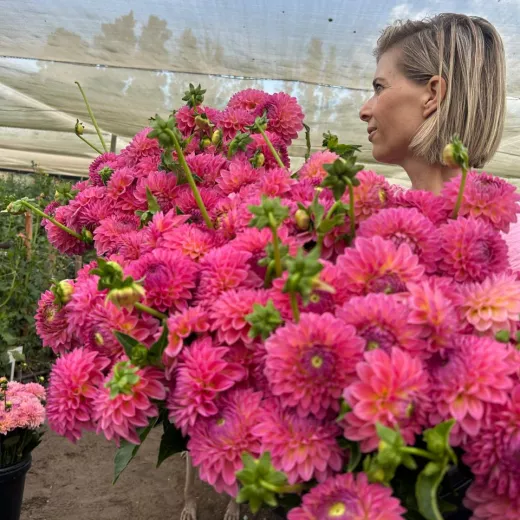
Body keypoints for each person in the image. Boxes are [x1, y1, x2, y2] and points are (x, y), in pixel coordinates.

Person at [358, 13, 520, 269]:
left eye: (379, 87)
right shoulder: (369, 219)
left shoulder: (512, 244)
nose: (364, 111)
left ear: (432, 95)